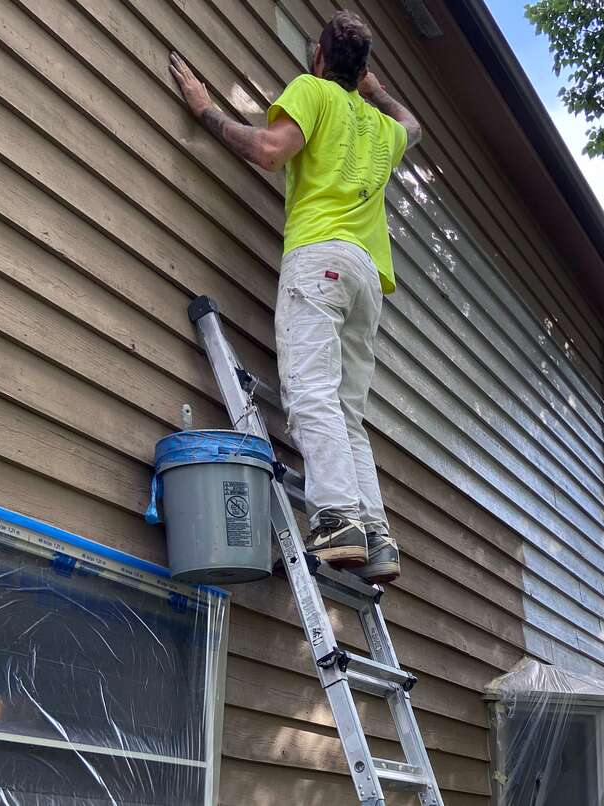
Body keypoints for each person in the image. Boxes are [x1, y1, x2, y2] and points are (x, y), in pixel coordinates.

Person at [169, 11, 421, 583]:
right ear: (364, 74)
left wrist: (205, 111)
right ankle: (377, 535)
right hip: (367, 279)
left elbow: (267, 149)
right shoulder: (381, 128)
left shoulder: (313, 92)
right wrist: (372, 88)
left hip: (321, 259)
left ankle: (336, 520)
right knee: (348, 413)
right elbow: (414, 123)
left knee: (311, 395)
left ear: (319, 61)